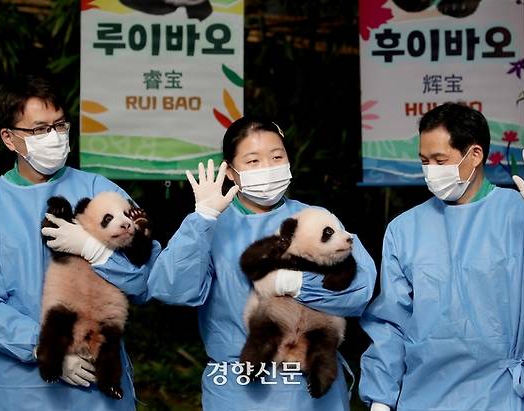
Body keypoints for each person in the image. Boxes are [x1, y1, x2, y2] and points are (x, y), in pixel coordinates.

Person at [0, 74, 161, 410]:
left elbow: (148, 277)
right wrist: (45, 347)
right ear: (9, 137)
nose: (55, 136)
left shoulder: (99, 192)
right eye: (39, 129)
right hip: (22, 389)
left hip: (100, 387)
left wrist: (97, 251)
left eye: (60, 125)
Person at [359, 102, 524, 411]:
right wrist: (381, 399)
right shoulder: (404, 230)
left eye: (440, 160)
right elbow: (391, 323)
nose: (430, 171)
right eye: (424, 161)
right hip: (424, 397)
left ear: (475, 155)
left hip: (501, 396)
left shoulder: (520, 215)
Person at [147, 117, 377, 410]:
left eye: (276, 157)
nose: (268, 168)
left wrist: (297, 284)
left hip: (309, 384)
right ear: (231, 172)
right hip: (238, 386)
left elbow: (358, 291)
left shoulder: (316, 219)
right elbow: (172, 290)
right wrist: (202, 218)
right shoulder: (210, 225)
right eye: (253, 161)